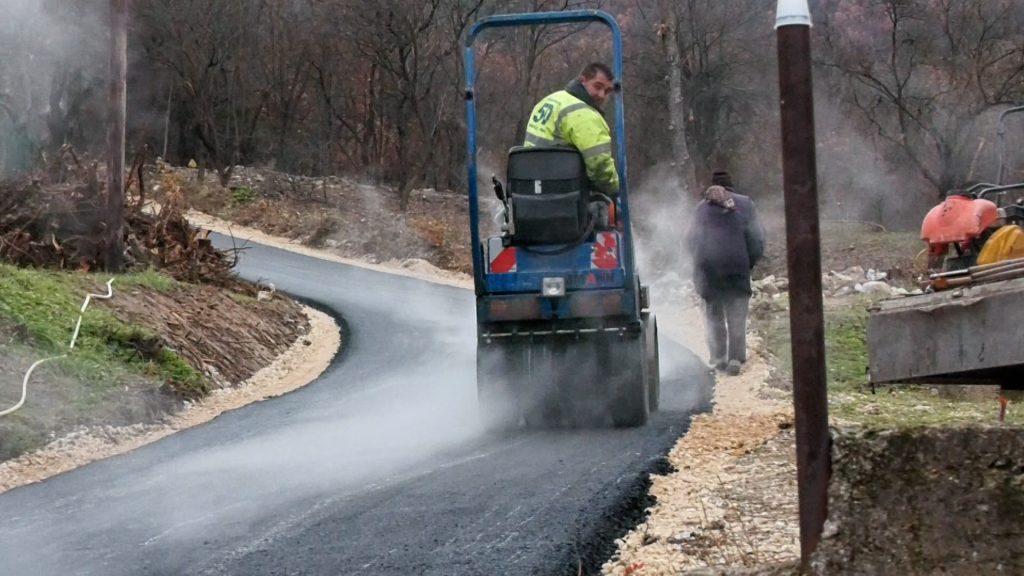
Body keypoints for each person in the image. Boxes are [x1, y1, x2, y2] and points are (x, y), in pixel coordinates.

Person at [686, 170, 765, 376]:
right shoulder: (746, 204)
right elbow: (757, 240)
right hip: (737, 267)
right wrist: (748, 262)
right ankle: (735, 359)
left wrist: (699, 265)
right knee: (737, 312)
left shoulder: (701, 209)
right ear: (731, 187)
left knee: (714, 313)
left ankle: (718, 357)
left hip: (709, 268)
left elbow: (691, 241)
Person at [523, 62, 620, 197]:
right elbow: (599, 165)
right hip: (562, 191)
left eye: (607, 91)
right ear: (583, 80)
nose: (602, 95)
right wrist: (614, 189)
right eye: (597, 87)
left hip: (530, 185)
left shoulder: (551, 99)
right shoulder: (584, 114)